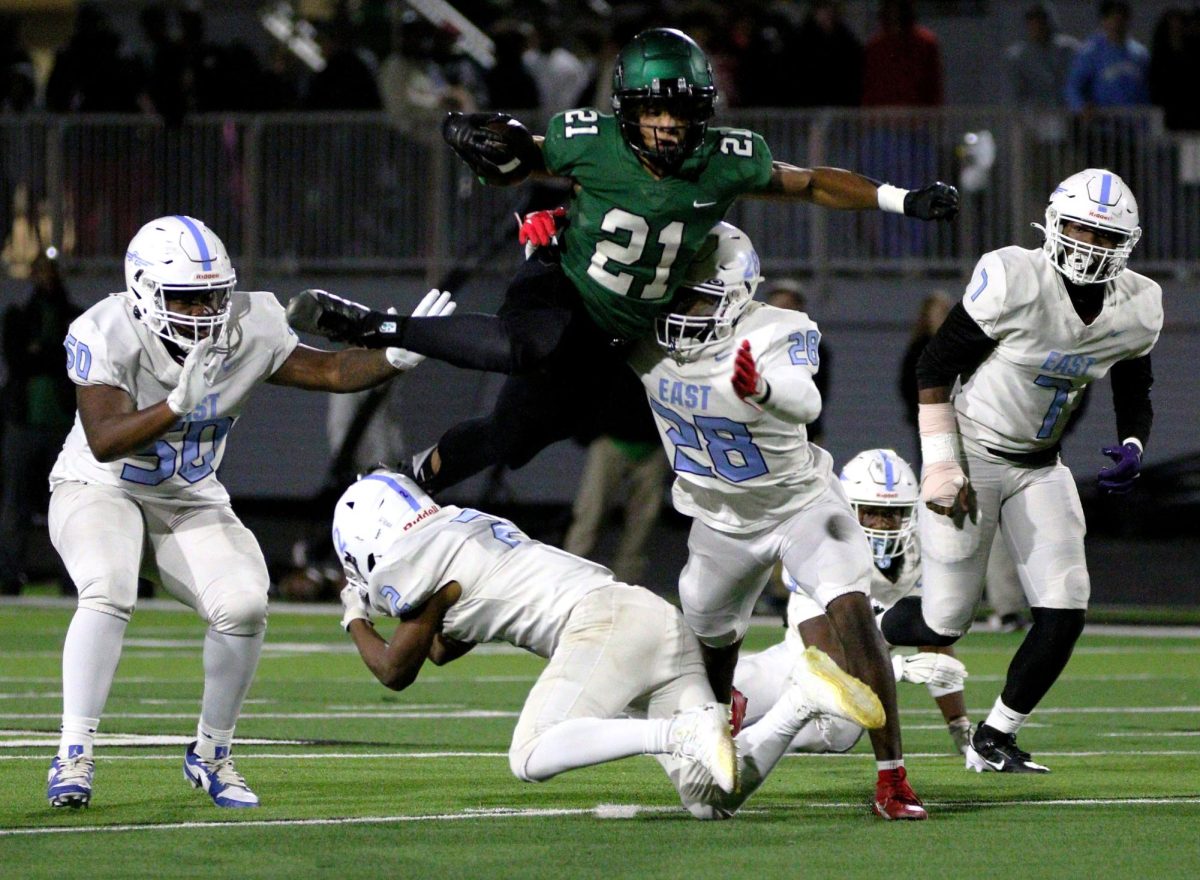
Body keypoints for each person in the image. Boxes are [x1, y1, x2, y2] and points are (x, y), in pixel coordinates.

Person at [286, 27, 958, 497]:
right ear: (626, 111)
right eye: (653, 111)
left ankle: (411, 480)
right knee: (528, 342)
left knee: (516, 435)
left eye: (679, 112)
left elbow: (811, 181)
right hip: (564, 284)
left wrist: (900, 199)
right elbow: (519, 161)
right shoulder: (593, 142)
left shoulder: (722, 158)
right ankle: (379, 327)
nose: (667, 126)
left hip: (616, 329)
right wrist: (471, 135)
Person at [43, 215, 454, 810]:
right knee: (107, 586)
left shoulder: (249, 323)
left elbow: (333, 370)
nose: (207, 309)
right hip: (99, 486)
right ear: (142, 290)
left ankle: (211, 754)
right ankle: (74, 753)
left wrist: (397, 351)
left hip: (188, 496)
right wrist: (176, 405)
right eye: (188, 297)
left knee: (243, 604)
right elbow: (105, 438)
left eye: (215, 292)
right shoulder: (106, 330)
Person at [332, 467, 886, 820]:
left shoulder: (418, 559)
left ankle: (680, 732)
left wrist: (355, 614)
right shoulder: (460, 529)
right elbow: (439, 646)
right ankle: (802, 700)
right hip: (647, 617)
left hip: (602, 624)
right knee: (710, 798)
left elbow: (394, 671)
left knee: (529, 755)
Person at [619, 221, 925, 819]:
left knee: (852, 611)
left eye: (698, 296)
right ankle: (717, 729)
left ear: (735, 295)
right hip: (717, 516)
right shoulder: (640, 331)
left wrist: (761, 391)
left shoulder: (777, 329)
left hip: (799, 505)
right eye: (676, 292)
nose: (682, 308)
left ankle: (892, 778)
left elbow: (806, 400)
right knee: (709, 641)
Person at [880, 168, 1161, 774]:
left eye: (1105, 238)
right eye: (1081, 230)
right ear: (1056, 224)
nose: (1090, 246)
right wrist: (941, 462)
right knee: (944, 618)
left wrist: (1134, 442)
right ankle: (868, 623)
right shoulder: (1014, 275)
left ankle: (997, 733)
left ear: (1127, 244)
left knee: (1067, 606)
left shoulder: (1139, 303)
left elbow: (1134, 384)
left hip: (1040, 466)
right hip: (973, 449)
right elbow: (932, 365)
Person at [734, 448, 971, 757]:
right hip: (796, 662)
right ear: (848, 508)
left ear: (908, 514)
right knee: (706, 693)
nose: (882, 524)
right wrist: (896, 669)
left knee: (841, 728)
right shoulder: (822, 547)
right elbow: (823, 655)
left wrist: (960, 728)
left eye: (891, 513)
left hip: (849, 689)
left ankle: (738, 745)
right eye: (871, 511)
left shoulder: (918, 557)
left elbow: (932, 638)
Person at [0, 251, 81, 595]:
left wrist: (41, 352)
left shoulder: (74, 316)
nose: (47, 277)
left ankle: (72, 579)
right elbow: (17, 360)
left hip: (64, 428)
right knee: (13, 505)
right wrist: (48, 353)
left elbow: (72, 362)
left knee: (68, 506)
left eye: (52, 270)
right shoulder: (19, 316)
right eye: (42, 271)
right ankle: (7, 577)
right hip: (23, 424)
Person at [561, 431, 669, 585]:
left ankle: (627, 590)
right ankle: (568, 581)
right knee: (590, 515)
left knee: (643, 523)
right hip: (610, 436)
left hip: (656, 444)